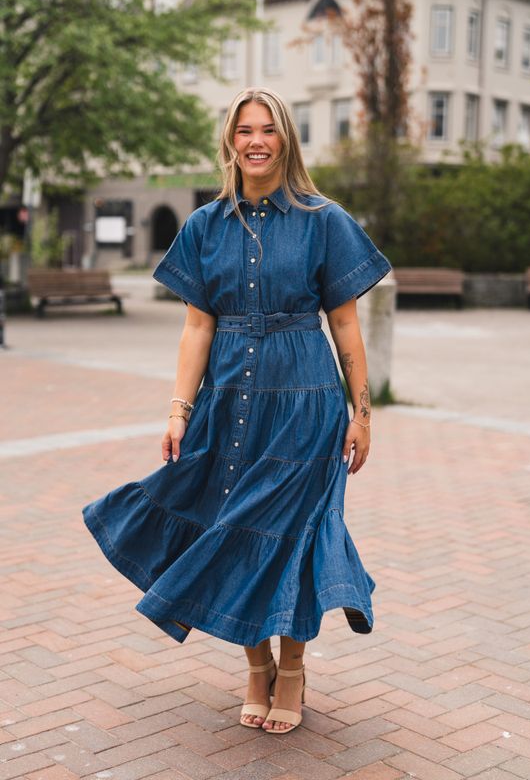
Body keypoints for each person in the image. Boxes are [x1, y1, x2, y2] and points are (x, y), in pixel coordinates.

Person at [83, 86, 392, 734]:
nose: (256, 141)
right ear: (230, 141)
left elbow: (345, 325)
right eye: (245, 130)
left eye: (268, 129)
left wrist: (361, 415)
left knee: (294, 536)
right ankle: (257, 665)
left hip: (306, 405)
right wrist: (178, 410)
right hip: (228, 404)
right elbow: (197, 328)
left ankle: (293, 670)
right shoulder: (204, 227)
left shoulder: (323, 220)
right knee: (230, 529)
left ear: (285, 140)